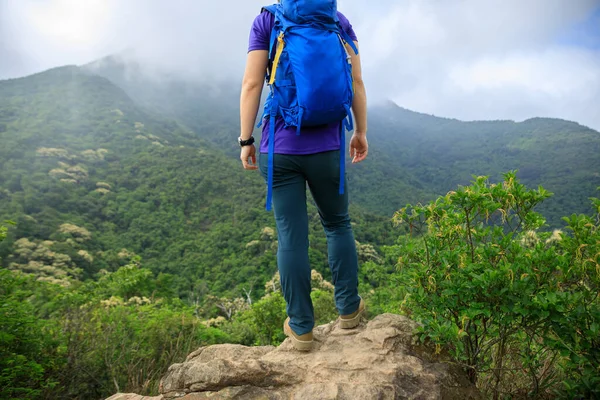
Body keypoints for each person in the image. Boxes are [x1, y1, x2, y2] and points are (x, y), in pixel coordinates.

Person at [238, 1, 368, 351]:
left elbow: (252, 84)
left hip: (279, 149)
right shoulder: (337, 21)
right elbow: (355, 80)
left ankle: (301, 329)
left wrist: (246, 139)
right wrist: (360, 132)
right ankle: (349, 312)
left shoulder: (267, 20)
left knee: (291, 238)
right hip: (327, 146)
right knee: (338, 224)